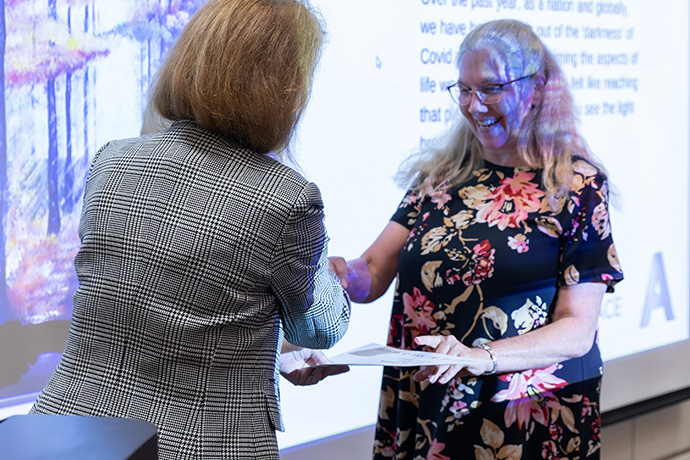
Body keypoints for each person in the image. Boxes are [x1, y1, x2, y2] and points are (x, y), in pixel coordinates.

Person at [30, 1, 350, 459]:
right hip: (198, 445)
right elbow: (319, 330)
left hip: (67, 432)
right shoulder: (286, 198)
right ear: (286, 88)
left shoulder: (112, 161)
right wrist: (325, 271)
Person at [329, 19, 623, 459]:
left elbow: (577, 329)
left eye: (490, 88)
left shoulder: (575, 186)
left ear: (538, 88)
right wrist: (336, 275)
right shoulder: (438, 179)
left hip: (522, 417)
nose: (474, 105)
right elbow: (371, 272)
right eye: (464, 90)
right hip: (428, 403)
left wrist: (479, 356)